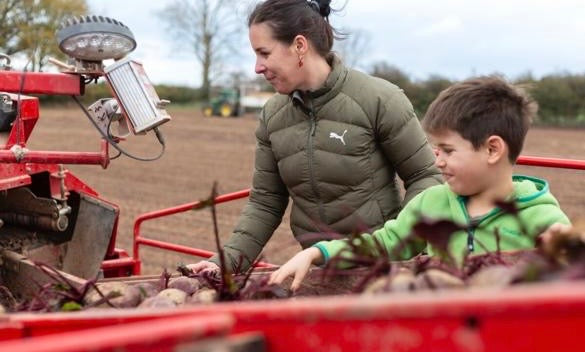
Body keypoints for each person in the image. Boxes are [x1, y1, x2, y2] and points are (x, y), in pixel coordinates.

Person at [189, 0, 442, 274]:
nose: (257, 67)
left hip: (380, 269)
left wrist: (396, 244)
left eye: (264, 53)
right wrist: (224, 264)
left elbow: (425, 178)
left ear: (299, 45)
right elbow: (265, 201)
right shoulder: (273, 115)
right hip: (316, 269)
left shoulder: (380, 99)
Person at [270, 76, 571, 291]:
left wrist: (567, 253)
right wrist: (319, 252)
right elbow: (381, 244)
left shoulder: (542, 218)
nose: (438, 162)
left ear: (493, 149)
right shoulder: (431, 203)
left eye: (449, 151)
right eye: (436, 150)